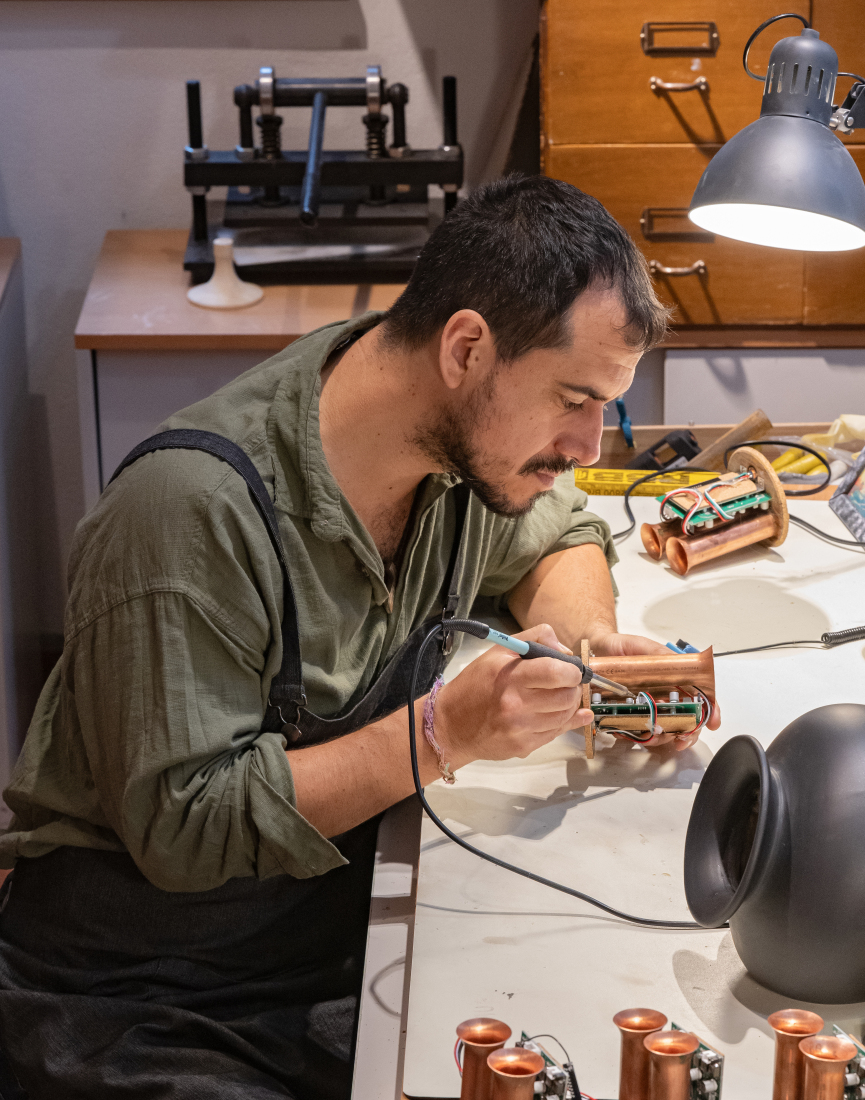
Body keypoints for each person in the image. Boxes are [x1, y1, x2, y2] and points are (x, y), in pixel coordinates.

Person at [0, 175, 720, 1098]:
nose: (589, 444)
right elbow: (187, 828)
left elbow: (562, 531)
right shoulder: (189, 515)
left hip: (319, 940)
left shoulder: (462, 450)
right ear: (467, 349)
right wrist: (444, 733)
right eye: (573, 399)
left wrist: (591, 637)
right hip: (137, 1000)